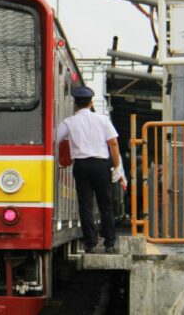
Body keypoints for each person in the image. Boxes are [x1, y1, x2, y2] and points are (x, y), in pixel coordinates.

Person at [56, 86, 125, 254]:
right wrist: (116, 167)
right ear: (91, 102)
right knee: (105, 206)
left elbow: (54, 138)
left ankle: (90, 244)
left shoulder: (69, 122)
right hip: (101, 166)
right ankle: (109, 244)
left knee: (85, 206)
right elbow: (113, 143)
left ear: (75, 104)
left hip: (81, 166)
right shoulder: (102, 120)